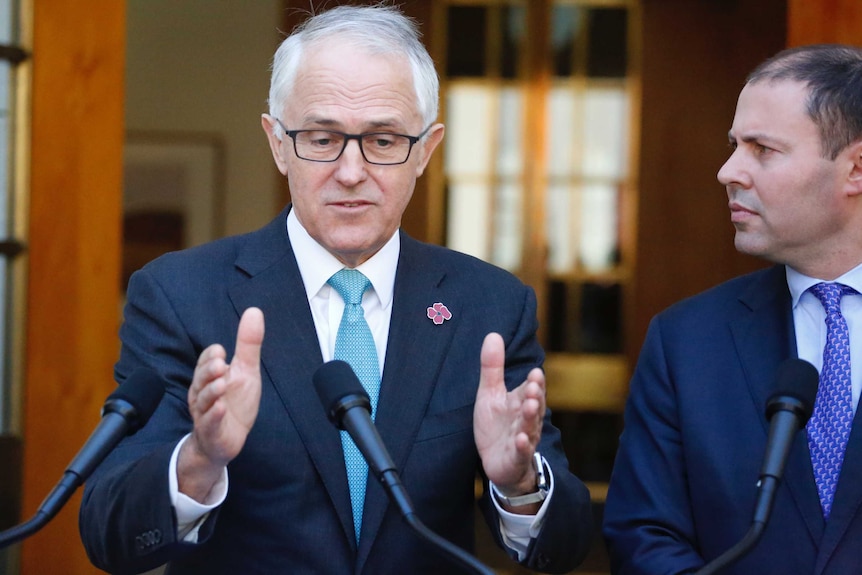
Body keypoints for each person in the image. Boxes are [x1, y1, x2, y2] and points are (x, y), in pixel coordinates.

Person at [79, 5, 593, 574]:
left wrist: (520, 484)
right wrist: (198, 461)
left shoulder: (489, 306)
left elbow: (566, 546)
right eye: (322, 139)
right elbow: (110, 535)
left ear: (425, 150)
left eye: (383, 139)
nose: (351, 171)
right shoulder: (181, 295)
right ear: (277, 143)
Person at [603, 43, 862, 574]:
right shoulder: (687, 340)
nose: (728, 171)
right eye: (733, 146)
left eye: (762, 150)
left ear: (856, 168)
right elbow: (642, 534)